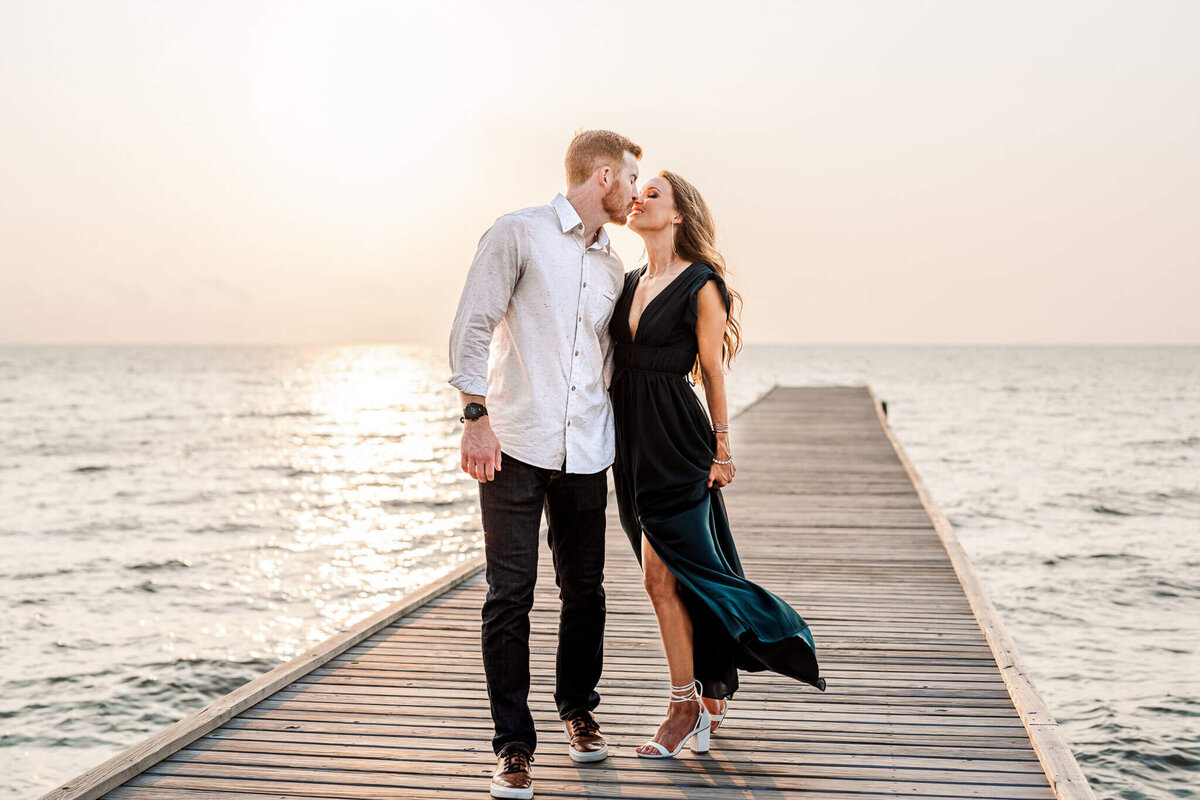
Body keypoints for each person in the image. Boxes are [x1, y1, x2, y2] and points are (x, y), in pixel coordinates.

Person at [448, 130, 641, 799]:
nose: (638, 194)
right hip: (515, 443)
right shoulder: (519, 233)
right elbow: (473, 323)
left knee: (586, 591)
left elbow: (608, 361)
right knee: (511, 595)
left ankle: (577, 709)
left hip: (588, 448)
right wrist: (475, 417)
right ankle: (512, 746)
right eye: (632, 180)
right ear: (605, 176)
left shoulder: (616, 266)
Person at [610, 171, 826, 760]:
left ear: (679, 214)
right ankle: (708, 698)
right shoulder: (628, 281)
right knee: (672, 578)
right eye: (638, 192)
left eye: (653, 193)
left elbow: (710, 370)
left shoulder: (702, 284)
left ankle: (685, 705)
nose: (638, 199)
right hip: (629, 450)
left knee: (663, 577)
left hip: (678, 443)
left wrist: (722, 448)